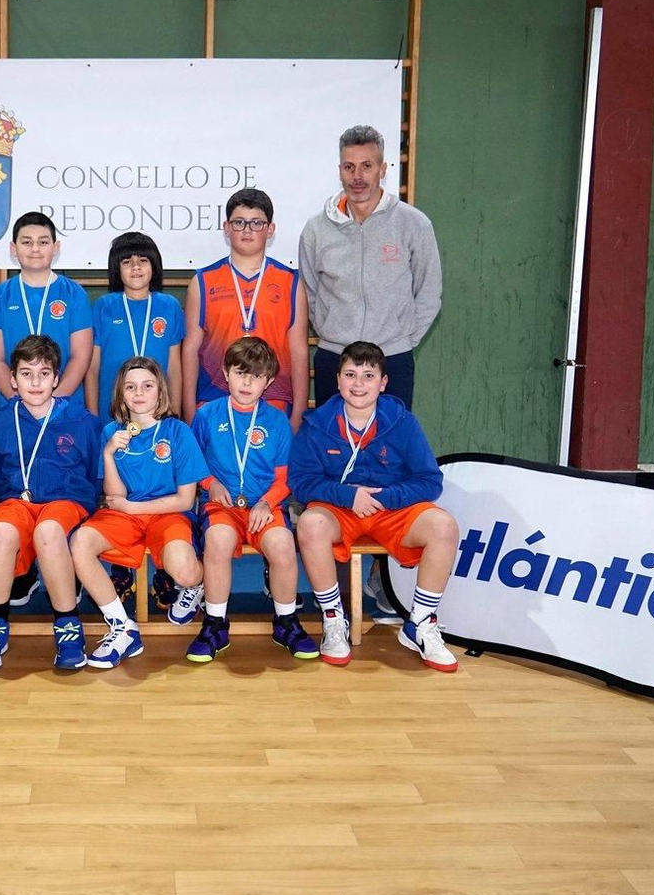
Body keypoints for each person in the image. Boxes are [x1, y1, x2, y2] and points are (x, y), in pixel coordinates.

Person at [289, 340, 460, 671]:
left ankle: (420, 624)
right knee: (310, 524)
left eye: (368, 376)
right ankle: (333, 620)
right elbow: (301, 482)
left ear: (383, 382)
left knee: (444, 526)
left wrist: (384, 498)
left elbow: (429, 481)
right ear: (337, 379)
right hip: (341, 510)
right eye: (350, 374)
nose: (358, 384)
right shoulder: (316, 425)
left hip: (389, 509)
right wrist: (348, 496)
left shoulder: (402, 422)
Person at [68, 357, 210, 668]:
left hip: (168, 513)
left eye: (147, 386)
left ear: (161, 391)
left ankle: (197, 585)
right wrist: (108, 453)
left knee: (184, 571)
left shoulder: (178, 432)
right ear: (120, 394)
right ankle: (122, 627)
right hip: (124, 514)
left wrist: (136, 507)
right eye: (130, 387)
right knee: (80, 542)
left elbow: (186, 500)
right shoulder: (110, 431)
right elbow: (115, 496)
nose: (139, 393)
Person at [0, 334, 101, 671]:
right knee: (0, 533)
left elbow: (93, 474)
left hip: (65, 502)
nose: (35, 382)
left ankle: (68, 625)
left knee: (48, 531)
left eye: (44, 373)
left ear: (57, 379)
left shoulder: (83, 421)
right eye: (26, 373)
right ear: (12, 379)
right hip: (18, 502)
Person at [188, 337, 318, 663]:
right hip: (222, 506)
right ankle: (215, 623)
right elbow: (191, 462)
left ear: (269, 381)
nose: (247, 382)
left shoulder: (277, 421)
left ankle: (286, 621)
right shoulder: (206, 415)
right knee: (216, 541)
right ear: (225, 373)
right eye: (240, 373)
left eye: (257, 376)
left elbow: (285, 477)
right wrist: (211, 482)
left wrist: (267, 502)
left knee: (283, 546)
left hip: (265, 505)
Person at [298, 124, 442, 411]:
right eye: (349, 167)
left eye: (367, 166)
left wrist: (399, 341)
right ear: (339, 170)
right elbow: (310, 293)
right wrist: (331, 331)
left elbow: (429, 292)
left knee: (389, 452)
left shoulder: (413, 224)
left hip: (393, 359)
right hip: (334, 358)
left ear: (383, 168)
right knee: (335, 450)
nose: (358, 176)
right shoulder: (316, 230)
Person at [182, 189, 309, 432]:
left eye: (257, 223)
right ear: (227, 228)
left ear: (270, 230)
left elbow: (299, 352)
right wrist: (190, 411)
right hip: (214, 400)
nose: (248, 230)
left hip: (274, 400)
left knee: (271, 470)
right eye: (239, 222)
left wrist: (298, 415)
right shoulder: (203, 282)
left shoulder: (291, 282)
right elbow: (190, 351)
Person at [0, 212, 94, 401]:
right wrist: (20, 401)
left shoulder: (75, 294)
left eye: (43, 242)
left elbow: (80, 357)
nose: (35, 249)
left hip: (64, 405)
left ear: (56, 247)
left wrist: (54, 403)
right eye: (26, 242)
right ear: (13, 248)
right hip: (15, 406)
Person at [85, 232, 185, 417]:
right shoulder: (103, 306)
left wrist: (175, 415)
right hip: (111, 413)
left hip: (158, 414)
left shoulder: (170, 306)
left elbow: (174, 369)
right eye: (126, 262)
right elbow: (92, 370)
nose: (135, 267)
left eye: (143, 260)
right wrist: (92, 417)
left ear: (154, 266)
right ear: (117, 269)